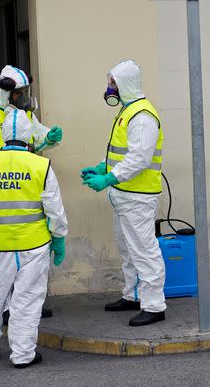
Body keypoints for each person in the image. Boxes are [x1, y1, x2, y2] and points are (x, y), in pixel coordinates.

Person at [0, 107, 67, 368]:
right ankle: (22, 354)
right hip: (34, 245)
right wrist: (59, 237)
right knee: (27, 300)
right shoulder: (41, 165)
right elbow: (54, 208)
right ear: (29, 136)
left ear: (4, 135)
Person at [0, 65, 62, 323]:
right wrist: (7, 161)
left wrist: (50, 137)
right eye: (18, 93)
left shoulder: (22, 116)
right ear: (6, 90)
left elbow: (38, 138)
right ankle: (10, 309)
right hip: (0, 191)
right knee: (3, 267)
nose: (21, 97)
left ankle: (23, 307)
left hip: (22, 189)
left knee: (23, 262)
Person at [81, 60, 166, 327]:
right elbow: (122, 154)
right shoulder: (127, 112)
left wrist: (108, 177)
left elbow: (140, 158)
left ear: (125, 84)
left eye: (113, 83)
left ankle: (154, 306)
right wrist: (102, 167)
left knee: (144, 250)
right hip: (124, 194)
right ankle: (133, 295)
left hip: (138, 197)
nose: (109, 89)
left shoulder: (142, 116)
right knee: (128, 248)